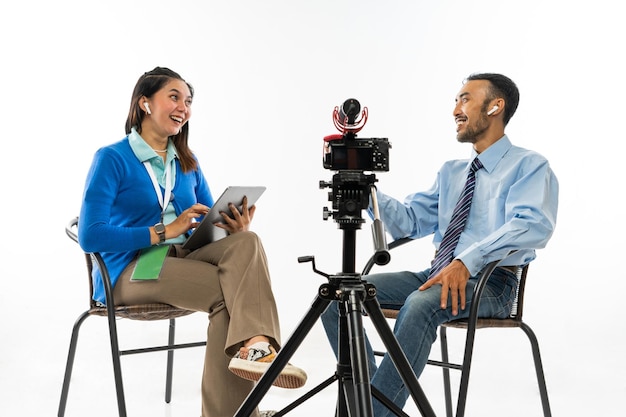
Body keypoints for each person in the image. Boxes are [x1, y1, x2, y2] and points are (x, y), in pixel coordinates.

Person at [321, 73, 559, 416]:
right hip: (436, 274)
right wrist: (367, 192)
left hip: (493, 283)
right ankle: (374, 408)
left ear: (496, 106)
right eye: (455, 101)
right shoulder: (452, 172)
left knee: (420, 306)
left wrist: (466, 261)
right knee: (336, 297)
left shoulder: (529, 166)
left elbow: (532, 225)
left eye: (464, 99)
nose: (455, 110)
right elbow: (409, 221)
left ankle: (371, 412)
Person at [78, 67, 306, 417]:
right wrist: (162, 232)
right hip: (131, 270)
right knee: (226, 294)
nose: (183, 107)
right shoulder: (111, 158)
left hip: (184, 257)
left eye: (188, 101)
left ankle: (257, 346)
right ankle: (236, 410)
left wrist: (232, 227)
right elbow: (90, 235)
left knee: (248, 242)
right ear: (144, 103)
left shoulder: (187, 162)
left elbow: (207, 224)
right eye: (174, 97)